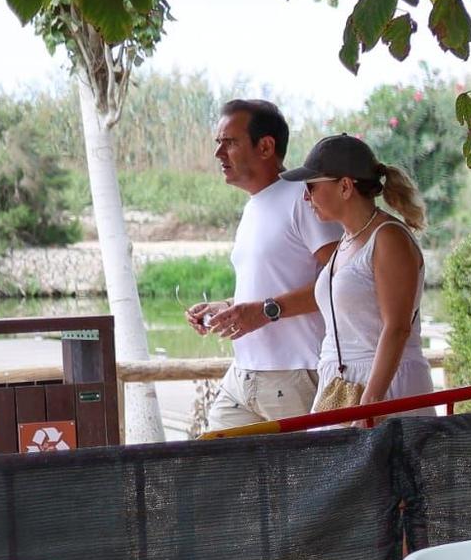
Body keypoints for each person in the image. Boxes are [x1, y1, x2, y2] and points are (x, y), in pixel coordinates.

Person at [186, 99, 340, 431]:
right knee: (209, 461)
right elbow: (272, 283)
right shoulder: (254, 205)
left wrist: (267, 310)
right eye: (219, 143)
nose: (218, 154)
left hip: (296, 372)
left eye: (229, 142)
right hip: (243, 374)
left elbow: (342, 281)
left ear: (266, 146)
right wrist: (228, 307)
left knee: (306, 468)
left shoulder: (304, 197)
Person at [282, 135, 433, 413]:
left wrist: (370, 404)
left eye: (311, 186)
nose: (305, 196)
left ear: (345, 186)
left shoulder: (388, 238)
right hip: (340, 386)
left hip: (385, 388)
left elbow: (397, 327)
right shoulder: (347, 240)